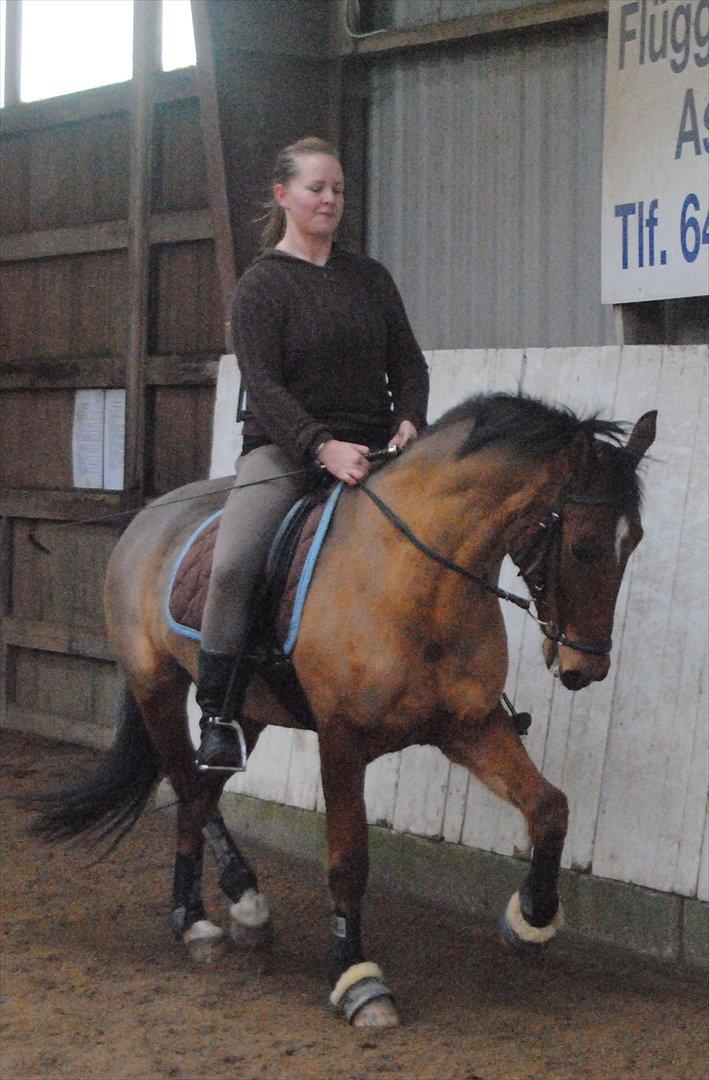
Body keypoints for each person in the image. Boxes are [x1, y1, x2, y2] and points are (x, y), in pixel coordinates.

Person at [195, 137, 429, 772]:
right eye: (316, 188)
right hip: (286, 451)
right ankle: (218, 714)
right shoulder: (261, 287)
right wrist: (321, 447)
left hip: (378, 448)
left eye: (338, 190)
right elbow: (264, 389)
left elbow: (408, 362)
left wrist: (410, 419)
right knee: (236, 564)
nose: (330, 200)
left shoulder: (370, 279)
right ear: (283, 196)